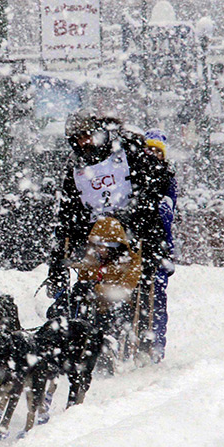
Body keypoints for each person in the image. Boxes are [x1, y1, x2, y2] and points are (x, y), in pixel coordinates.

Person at [46, 113, 170, 404]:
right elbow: (67, 216)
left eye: (87, 136)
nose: (83, 143)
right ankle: (93, 343)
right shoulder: (74, 168)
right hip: (96, 240)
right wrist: (58, 260)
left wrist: (139, 226)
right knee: (89, 291)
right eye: (77, 139)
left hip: (131, 236)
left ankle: (135, 341)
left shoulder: (128, 153)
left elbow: (151, 192)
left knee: (128, 290)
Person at [144, 129, 177, 362]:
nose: (153, 154)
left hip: (157, 244)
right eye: (149, 149)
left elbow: (168, 213)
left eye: (158, 151)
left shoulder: (166, 177)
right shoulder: (132, 174)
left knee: (156, 295)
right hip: (137, 242)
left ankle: (156, 344)